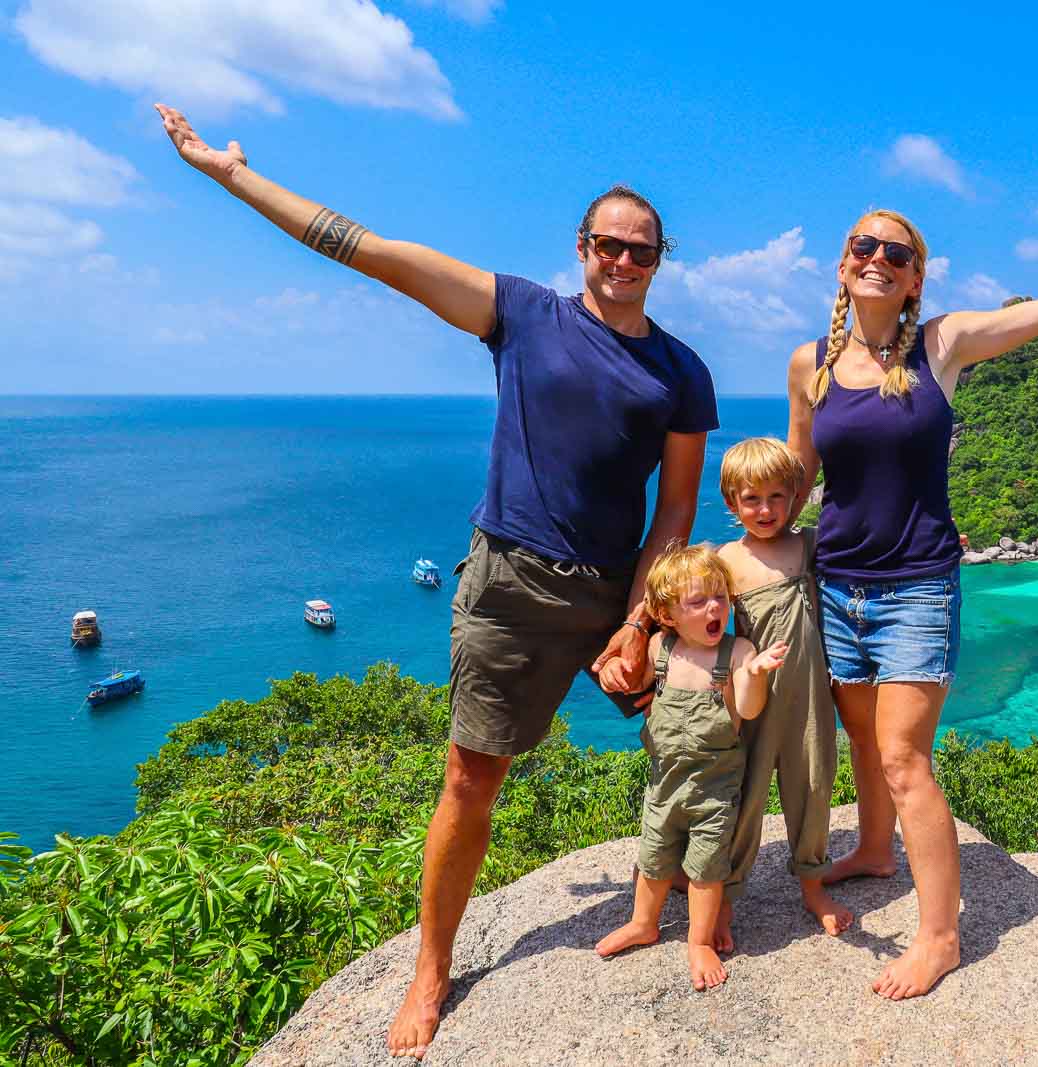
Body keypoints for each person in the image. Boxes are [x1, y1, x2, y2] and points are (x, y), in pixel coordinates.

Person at [153, 105, 718, 1057]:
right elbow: (364, 248)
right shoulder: (521, 313)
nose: (623, 263)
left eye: (642, 251)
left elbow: (673, 514)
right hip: (509, 583)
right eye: (609, 246)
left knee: (702, 729)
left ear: (661, 261)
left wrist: (637, 623)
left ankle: (705, 912)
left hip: (616, 592)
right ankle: (432, 969)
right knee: (472, 776)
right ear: (581, 248)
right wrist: (229, 174)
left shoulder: (680, 370)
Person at [786, 209, 1038, 1000]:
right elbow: (800, 472)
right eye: (863, 246)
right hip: (835, 582)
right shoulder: (810, 363)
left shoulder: (943, 343)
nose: (878, 259)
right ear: (842, 266)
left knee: (904, 756)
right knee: (862, 735)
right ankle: (873, 849)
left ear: (914, 278)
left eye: (895, 253)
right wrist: (754, 539)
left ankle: (940, 936)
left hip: (917, 585)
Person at [596, 544, 786, 990]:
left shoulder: (737, 652)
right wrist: (612, 672)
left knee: (704, 869)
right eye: (698, 602)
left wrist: (756, 675)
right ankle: (644, 921)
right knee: (653, 856)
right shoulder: (662, 648)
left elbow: (748, 709)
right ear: (667, 615)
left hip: (713, 788)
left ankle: (698, 941)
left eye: (719, 596)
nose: (714, 608)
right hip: (663, 781)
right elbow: (634, 681)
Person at [714, 438, 853, 939]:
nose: (766, 509)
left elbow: (865, 547)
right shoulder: (725, 561)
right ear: (732, 501)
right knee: (744, 795)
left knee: (813, 785)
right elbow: (690, 614)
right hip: (752, 697)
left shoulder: (809, 543)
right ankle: (725, 898)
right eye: (752, 499)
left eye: (778, 496)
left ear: (796, 496)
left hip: (811, 695)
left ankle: (813, 884)